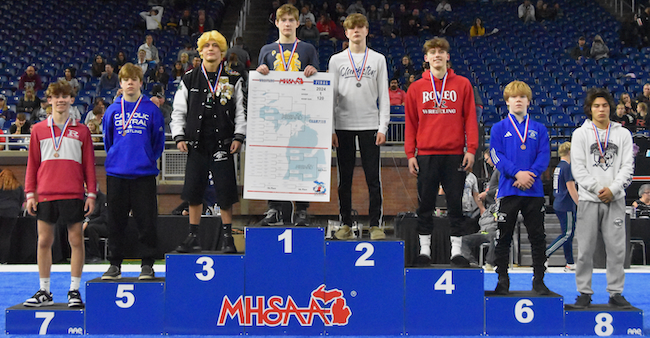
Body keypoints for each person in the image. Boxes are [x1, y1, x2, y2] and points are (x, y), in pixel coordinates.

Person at [404, 37, 478, 267]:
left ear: (448, 57)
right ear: (426, 58)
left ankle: (457, 252)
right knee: (425, 203)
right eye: (432, 52)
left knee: (456, 203)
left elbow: (470, 120)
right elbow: (411, 123)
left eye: (441, 52)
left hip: (455, 153)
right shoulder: (415, 88)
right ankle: (424, 251)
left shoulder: (463, 84)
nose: (437, 55)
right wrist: (410, 154)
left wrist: (471, 149)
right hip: (425, 154)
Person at [170, 30, 246, 254]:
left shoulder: (233, 78)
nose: (210, 49)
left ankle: (227, 239)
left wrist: (239, 136)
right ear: (200, 51)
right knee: (194, 190)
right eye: (206, 45)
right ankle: (193, 236)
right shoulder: (189, 78)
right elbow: (178, 111)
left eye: (215, 45)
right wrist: (179, 136)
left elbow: (241, 111)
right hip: (197, 143)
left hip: (223, 143)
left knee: (225, 191)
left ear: (222, 51)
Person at [23, 80, 97, 307]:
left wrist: (92, 194)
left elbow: (89, 166)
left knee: (75, 240)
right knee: (44, 241)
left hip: (73, 192)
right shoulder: (38, 130)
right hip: (45, 193)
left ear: (72, 99)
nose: (61, 100)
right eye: (57, 97)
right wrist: (29, 193)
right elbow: (32, 164)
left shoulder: (82, 131)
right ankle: (44, 290)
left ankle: (74, 290)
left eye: (65, 96)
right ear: (50, 100)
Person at [570, 87, 635, 309]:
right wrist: (599, 189)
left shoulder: (623, 134)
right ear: (590, 109)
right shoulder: (580, 134)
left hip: (615, 200)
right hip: (589, 199)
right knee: (585, 249)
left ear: (610, 108)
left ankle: (616, 293)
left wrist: (613, 190)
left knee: (617, 250)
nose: (601, 109)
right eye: (596, 106)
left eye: (605, 105)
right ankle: (584, 293)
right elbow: (578, 169)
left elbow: (628, 167)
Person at [256, 4, 319, 226]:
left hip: (301, 114)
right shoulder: (266, 50)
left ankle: (301, 209)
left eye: (292, 20)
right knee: (275, 160)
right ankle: (273, 207)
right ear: (277, 23)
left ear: (298, 23)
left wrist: (314, 72)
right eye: (284, 20)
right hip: (276, 117)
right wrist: (261, 73)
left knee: (299, 160)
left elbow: (318, 84)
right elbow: (259, 88)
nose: (287, 23)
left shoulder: (308, 49)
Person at [101, 63, 165, 280]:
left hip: (143, 175)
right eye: (126, 79)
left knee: (146, 221)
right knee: (115, 221)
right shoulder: (111, 111)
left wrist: (145, 159)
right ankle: (114, 263)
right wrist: (119, 158)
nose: (130, 82)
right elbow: (108, 141)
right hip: (117, 174)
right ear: (120, 83)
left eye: (134, 79)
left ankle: (147, 264)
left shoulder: (151, 110)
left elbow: (158, 143)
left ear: (140, 82)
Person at [328, 14, 389, 240]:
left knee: (373, 178)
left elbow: (384, 95)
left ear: (367, 30)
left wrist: (383, 126)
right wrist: (331, 129)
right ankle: (345, 222)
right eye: (351, 28)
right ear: (345, 32)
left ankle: (376, 224)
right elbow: (331, 96)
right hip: (343, 124)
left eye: (360, 27)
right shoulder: (336, 60)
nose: (356, 31)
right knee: (345, 178)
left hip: (370, 124)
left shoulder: (378, 59)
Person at [489, 80, 551, 295]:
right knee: (503, 237)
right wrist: (517, 174)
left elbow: (544, 155)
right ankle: (502, 280)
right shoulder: (498, 128)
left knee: (537, 237)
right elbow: (496, 156)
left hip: (533, 191)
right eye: (514, 97)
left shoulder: (539, 129)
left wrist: (530, 175)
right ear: (507, 102)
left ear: (528, 101)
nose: (518, 100)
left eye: (522, 97)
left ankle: (539, 280)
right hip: (508, 189)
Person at [546, 142, 578, 271]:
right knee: (567, 234)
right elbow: (571, 188)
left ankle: (570, 262)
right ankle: (546, 253)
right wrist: (580, 204)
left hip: (559, 202)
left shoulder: (558, 167)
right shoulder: (567, 167)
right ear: (570, 152)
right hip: (566, 204)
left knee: (568, 235)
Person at [0, 169, 24, 263]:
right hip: (11, 213)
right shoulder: (17, 186)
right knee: (6, 237)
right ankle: (3, 260)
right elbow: (21, 200)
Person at [83, 189, 108, 263]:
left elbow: (104, 217)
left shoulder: (103, 198)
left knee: (92, 228)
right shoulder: (84, 198)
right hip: (87, 223)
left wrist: (88, 222)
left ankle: (96, 255)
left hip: (103, 225)